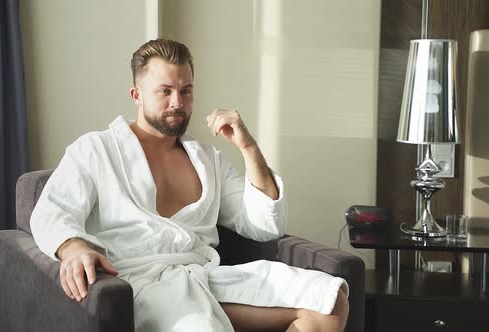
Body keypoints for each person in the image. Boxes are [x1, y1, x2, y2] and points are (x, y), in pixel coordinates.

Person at [30, 38, 349, 332]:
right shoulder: (96, 150)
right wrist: (73, 247)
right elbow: (51, 211)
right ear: (136, 95)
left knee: (328, 301)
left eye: (186, 91)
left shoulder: (208, 159)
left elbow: (265, 224)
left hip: (205, 277)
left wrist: (247, 147)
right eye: (164, 91)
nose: (177, 102)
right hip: (138, 284)